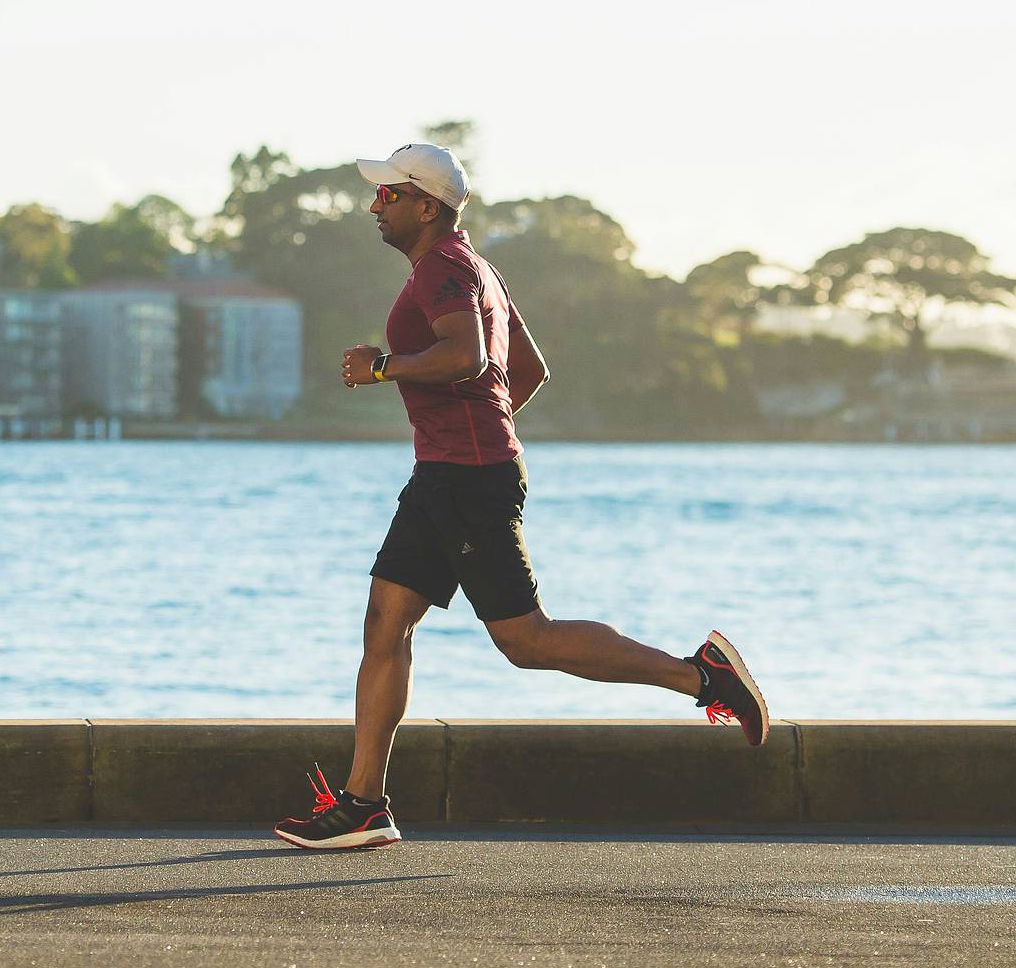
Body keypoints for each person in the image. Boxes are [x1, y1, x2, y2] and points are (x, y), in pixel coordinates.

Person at [274, 143, 768, 850]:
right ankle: (364, 804)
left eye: (388, 195)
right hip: (449, 474)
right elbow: (527, 370)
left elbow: (471, 358)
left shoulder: (446, 268)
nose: (374, 206)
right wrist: (478, 428)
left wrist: (387, 368)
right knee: (386, 625)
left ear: (426, 205)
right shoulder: (478, 269)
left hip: (465, 480)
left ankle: (703, 677)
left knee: (526, 640)